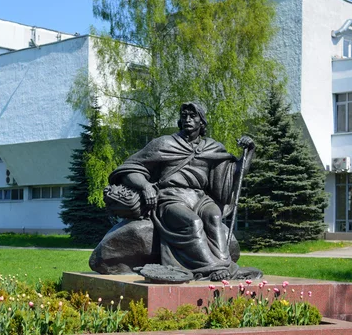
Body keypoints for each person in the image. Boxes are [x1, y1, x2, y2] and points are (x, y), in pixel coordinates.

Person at [108, 102, 261, 281]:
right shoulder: (164, 143)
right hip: (171, 197)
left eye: (193, 116)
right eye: (184, 116)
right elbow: (129, 168)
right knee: (193, 222)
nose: (188, 119)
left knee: (214, 216)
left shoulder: (212, 148)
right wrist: (145, 186)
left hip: (200, 198)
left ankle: (225, 265)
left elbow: (235, 173)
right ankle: (211, 269)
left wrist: (249, 151)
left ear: (202, 122)